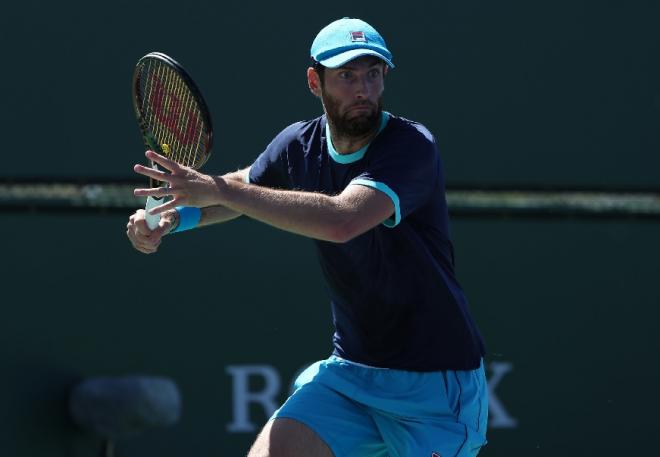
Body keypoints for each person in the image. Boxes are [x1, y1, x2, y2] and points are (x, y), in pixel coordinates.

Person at [126, 17, 488, 457]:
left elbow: (343, 220)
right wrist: (173, 219)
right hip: (350, 378)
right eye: (346, 76)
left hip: (434, 388)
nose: (362, 89)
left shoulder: (411, 146)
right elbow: (243, 192)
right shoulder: (297, 144)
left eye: (372, 74)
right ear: (315, 82)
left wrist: (217, 188)